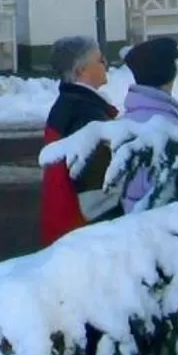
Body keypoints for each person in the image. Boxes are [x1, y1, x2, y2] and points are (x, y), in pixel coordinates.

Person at [38, 34, 122, 246]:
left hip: (64, 227)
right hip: (82, 236)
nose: (105, 64)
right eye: (99, 60)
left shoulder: (70, 105)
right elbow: (95, 197)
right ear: (81, 70)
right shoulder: (86, 114)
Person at [118, 36, 178, 213]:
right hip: (154, 223)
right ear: (167, 73)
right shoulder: (160, 122)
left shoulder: (137, 111)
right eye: (176, 68)